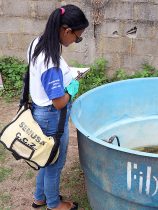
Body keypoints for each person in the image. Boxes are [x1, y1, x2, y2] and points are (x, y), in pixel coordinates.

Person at [28, 4, 89, 210]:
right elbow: (59, 101)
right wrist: (73, 87)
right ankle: (54, 204)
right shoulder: (50, 60)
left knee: (46, 158)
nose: (76, 41)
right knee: (55, 163)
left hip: (41, 111)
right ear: (66, 30)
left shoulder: (37, 43)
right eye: (77, 37)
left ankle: (40, 197)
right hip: (52, 116)